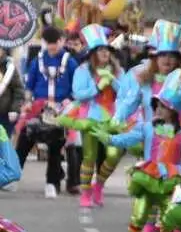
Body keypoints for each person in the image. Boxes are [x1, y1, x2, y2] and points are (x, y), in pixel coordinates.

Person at [98, 68, 181, 232]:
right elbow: (128, 139)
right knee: (138, 216)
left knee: (168, 223)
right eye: (157, 104)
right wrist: (109, 139)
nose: (158, 109)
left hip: (171, 182)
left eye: (163, 106)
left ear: (174, 112)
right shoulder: (147, 127)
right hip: (147, 178)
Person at [58, 24, 124, 209]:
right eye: (101, 50)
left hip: (113, 117)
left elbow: (127, 92)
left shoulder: (117, 70)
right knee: (89, 157)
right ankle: (86, 193)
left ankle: (99, 186)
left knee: (114, 154)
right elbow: (79, 94)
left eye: (107, 50)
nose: (105, 53)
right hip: (90, 117)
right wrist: (98, 86)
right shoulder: (83, 70)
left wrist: (112, 80)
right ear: (93, 53)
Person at [17, 26, 76, 198]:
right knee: (24, 139)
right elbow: (29, 86)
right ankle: (10, 175)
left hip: (61, 109)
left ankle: (52, 183)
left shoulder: (70, 62)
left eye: (55, 42)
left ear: (61, 41)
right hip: (38, 108)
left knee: (55, 146)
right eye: (49, 43)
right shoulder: (37, 61)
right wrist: (28, 102)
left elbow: (76, 87)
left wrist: (68, 102)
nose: (52, 46)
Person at [0, 47, 26, 139]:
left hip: (4, 114)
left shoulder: (9, 67)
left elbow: (18, 90)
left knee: (4, 142)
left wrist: (14, 109)